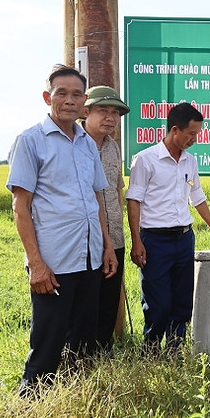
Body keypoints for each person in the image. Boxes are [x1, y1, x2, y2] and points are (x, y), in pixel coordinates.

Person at [7, 65, 118, 396]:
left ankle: (76, 397)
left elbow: (97, 197)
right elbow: (20, 206)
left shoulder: (86, 143)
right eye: (61, 93)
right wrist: (36, 263)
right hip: (53, 261)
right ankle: (31, 400)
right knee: (49, 338)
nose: (69, 100)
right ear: (48, 97)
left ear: (84, 101)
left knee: (84, 336)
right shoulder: (30, 141)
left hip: (90, 257)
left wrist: (107, 246)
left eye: (76, 95)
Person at [126, 102, 210, 353]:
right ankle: (152, 351)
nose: (194, 139)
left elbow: (197, 197)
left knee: (182, 300)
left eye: (197, 134)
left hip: (184, 239)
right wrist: (137, 241)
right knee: (158, 302)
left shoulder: (190, 162)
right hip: (154, 240)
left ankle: (174, 350)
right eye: (191, 134)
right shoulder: (145, 160)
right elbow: (134, 201)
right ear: (175, 130)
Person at [81, 85, 130, 352]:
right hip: (86, 241)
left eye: (115, 112)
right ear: (86, 112)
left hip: (115, 238)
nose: (110, 118)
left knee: (109, 300)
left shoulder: (113, 148)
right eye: (103, 110)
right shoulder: (75, 144)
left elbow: (117, 191)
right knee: (86, 302)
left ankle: (103, 353)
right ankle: (81, 356)